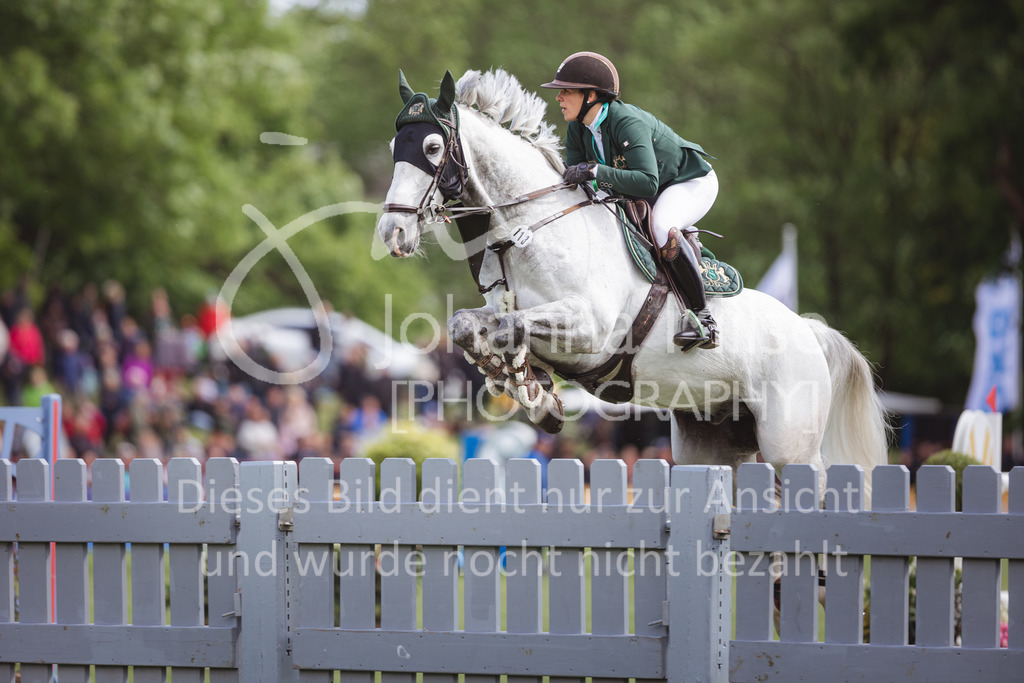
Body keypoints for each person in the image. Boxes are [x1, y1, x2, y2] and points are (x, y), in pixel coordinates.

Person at [541, 52, 720, 351]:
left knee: (662, 225)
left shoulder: (626, 121)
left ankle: (703, 319)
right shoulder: (577, 127)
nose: (558, 97)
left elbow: (647, 181)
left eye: (566, 91)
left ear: (591, 96)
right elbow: (579, 181)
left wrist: (595, 172)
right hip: (645, 189)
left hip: (687, 182)